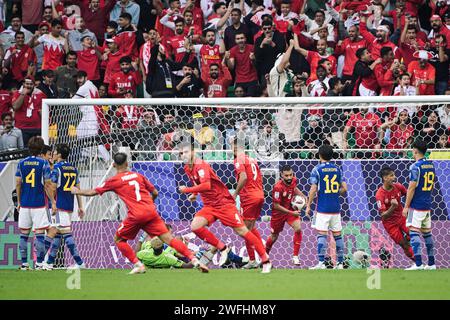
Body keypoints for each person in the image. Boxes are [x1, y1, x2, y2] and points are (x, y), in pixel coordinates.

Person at [71, 152, 208, 274]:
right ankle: (194, 260)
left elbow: (93, 192)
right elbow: (155, 192)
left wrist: (78, 191)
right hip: (150, 211)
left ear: (113, 164)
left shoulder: (113, 181)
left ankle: (138, 264)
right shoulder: (138, 176)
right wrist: (150, 204)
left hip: (136, 215)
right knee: (170, 240)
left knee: (119, 240)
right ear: (127, 163)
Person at [178, 140, 272, 273]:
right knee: (195, 226)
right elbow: (198, 183)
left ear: (193, 152)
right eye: (180, 153)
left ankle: (265, 260)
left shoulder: (201, 165)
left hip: (223, 203)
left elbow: (207, 185)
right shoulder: (187, 168)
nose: (183, 155)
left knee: (244, 231)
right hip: (210, 205)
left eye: (186, 152)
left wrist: (187, 190)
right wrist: (194, 193)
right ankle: (223, 248)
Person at [305, 144, 348, 269]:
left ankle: (321, 263)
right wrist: (334, 193)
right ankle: (340, 263)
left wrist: (308, 205)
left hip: (323, 208)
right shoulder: (338, 169)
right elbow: (344, 188)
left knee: (322, 235)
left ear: (319, 155)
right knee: (338, 235)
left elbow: (313, 189)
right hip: (335, 208)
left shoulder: (317, 169)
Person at [15, 136, 54, 270]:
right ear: (41, 149)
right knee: (39, 236)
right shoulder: (43, 164)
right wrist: (53, 202)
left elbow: (18, 183)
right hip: (39, 204)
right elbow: (48, 184)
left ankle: (24, 264)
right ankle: (39, 264)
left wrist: (19, 201)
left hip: (25, 204)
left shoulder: (21, 163)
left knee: (23, 235)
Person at [45, 144, 85, 270]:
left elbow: (52, 186)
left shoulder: (56, 168)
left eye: (55, 151)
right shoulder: (74, 168)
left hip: (59, 205)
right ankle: (49, 262)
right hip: (69, 205)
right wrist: (80, 206)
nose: (54, 153)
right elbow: (78, 189)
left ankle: (80, 263)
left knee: (65, 233)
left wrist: (54, 203)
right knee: (57, 233)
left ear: (60, 154)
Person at [402, 140, 437, 270]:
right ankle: (432, 264)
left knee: (413, 232)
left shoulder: (415, 167)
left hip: (416, 205)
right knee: (427, 234)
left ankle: (418, 264)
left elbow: (411, 187)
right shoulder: (431, 165)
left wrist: (406, 206)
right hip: (427, 204)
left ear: (415, 150)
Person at [231, 137, 264, 269]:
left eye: (232, 147)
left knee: (244, 230)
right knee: (251, 228)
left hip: (249, 197)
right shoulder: (252, 159)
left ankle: (252, 260)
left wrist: (235, 194)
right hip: (259, 195)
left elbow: (243, 177)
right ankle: (264, 257)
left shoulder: (238, 159)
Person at [265, 164, 306, 266]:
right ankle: (264, 256)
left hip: (290, 211)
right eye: (286, 175)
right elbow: (276, 205)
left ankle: (295, 257)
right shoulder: (278, 187)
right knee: (274, 236)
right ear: (281, 175)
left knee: (298, 229)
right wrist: (292, 212)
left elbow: (294, 188)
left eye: (290, 175)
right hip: (278, 214)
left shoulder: (293, 180)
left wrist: (302, 196)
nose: (289, 177)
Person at [375, 167, 415, 262]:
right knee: (404, 245)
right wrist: (392, 207)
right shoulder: (379, 194)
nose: (394, 177)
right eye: (391, 175)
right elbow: (383, 215)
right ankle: (417, 263)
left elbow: (409, 195)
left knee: (413, 233)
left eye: (394, 175)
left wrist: (408, 208)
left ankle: (408, 239)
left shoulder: (398, 187)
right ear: (385, 178)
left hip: (402, 217)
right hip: (390, 224)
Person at [11, 76, 45, 146]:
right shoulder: (17, 93)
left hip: (37, 128)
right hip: (22, 128)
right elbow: (15, 107)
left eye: (31, 84)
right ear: (23, 84)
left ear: (34, 85)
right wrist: (23, 94)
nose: (28, 86)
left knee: (37, 150)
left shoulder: (41, 94)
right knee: (23, 151)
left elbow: (45, 111)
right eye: (27, 84)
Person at [226, 32, 259, 96]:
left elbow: (257, 65)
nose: (240, 40)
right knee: (239, 103)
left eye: (242, 38)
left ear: (245, 39)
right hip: (239, 80)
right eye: (238, 39)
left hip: (252, 79)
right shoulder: (233, 50)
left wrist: (253, 59)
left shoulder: (252, 48)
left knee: (251, 101)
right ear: (235, 40)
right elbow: (231, 67)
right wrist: (227, 59)